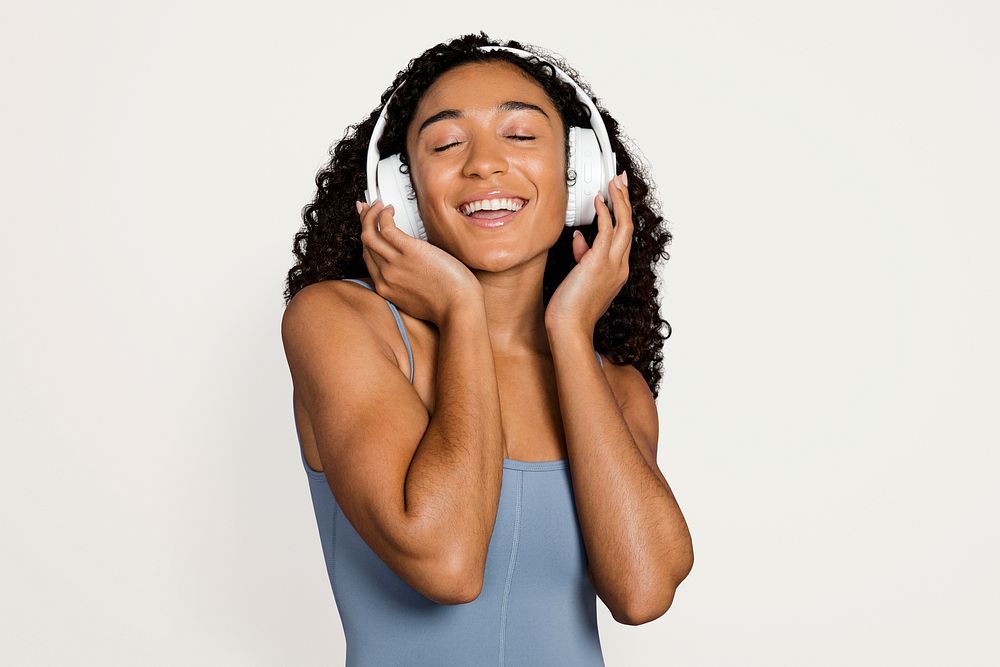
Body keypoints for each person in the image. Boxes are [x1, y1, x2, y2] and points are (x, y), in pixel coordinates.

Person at [281, 31, 694, 666]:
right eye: (446, 144)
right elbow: (446, 563)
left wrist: (569, 334)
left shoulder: (614, 386)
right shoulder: (340, 324)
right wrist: (462, 310)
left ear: (578, 174)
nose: (484, 164)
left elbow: (643, 591)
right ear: (403, 192)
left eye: (522, 136)